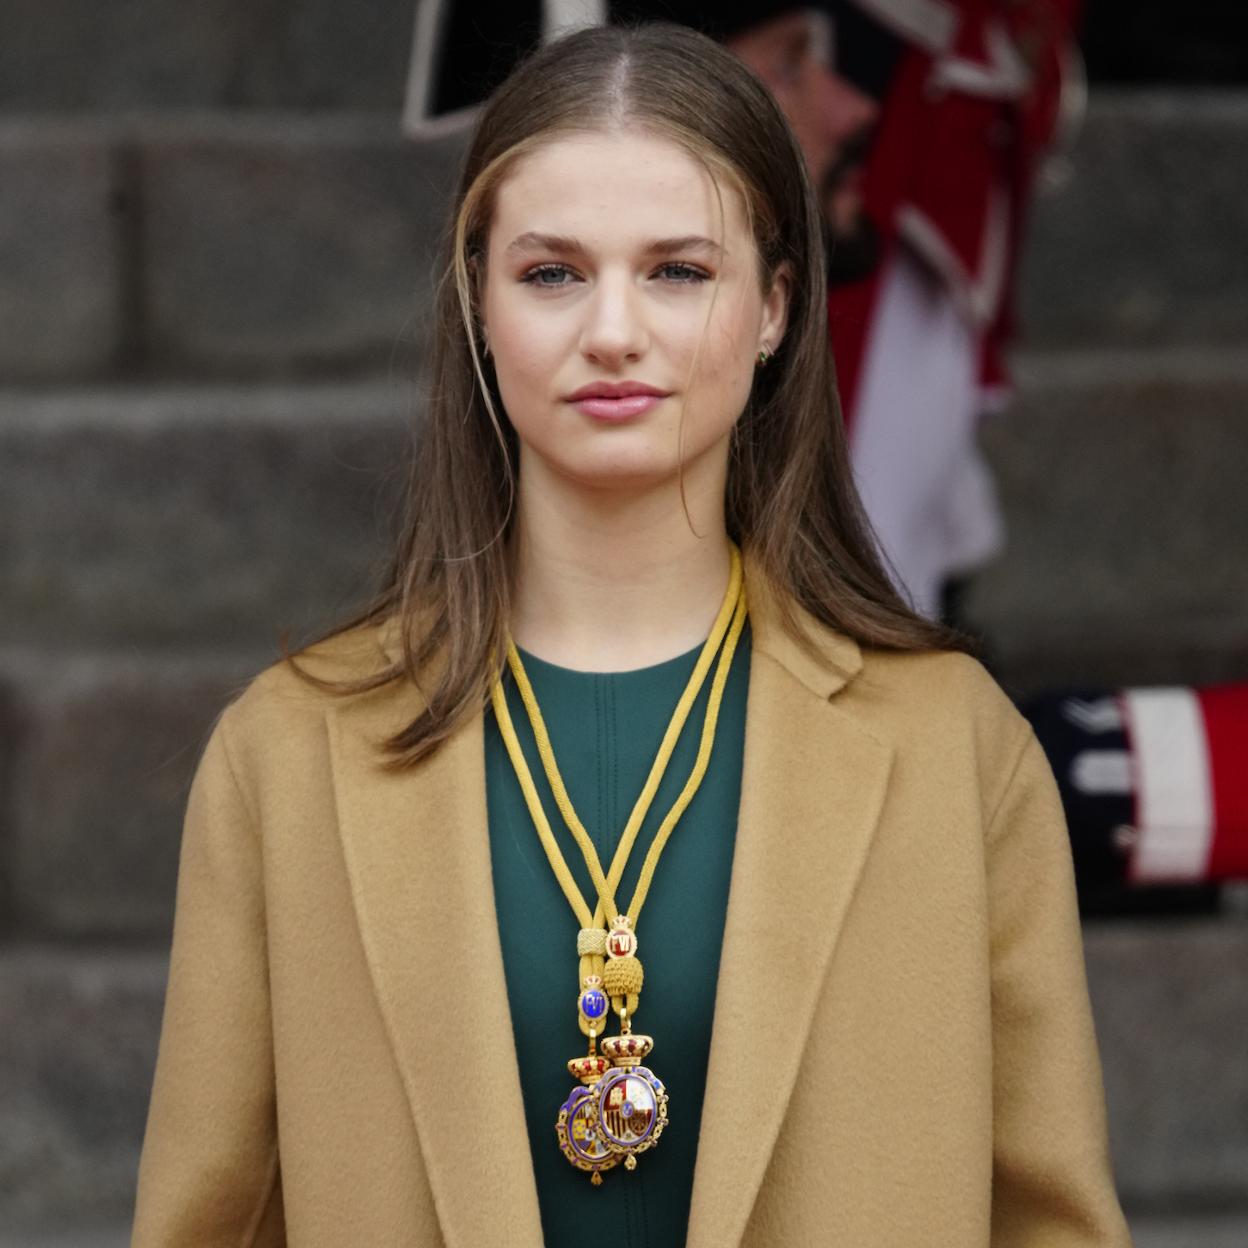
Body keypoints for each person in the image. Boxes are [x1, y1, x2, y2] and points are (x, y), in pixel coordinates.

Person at [132, 23, 1130, 1247]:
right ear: (478, 305)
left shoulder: (952, 747)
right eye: (553, 273)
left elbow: (1052, 1224)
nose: (613, 330)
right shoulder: (286, 755)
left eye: (678, 271)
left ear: (774, 309)